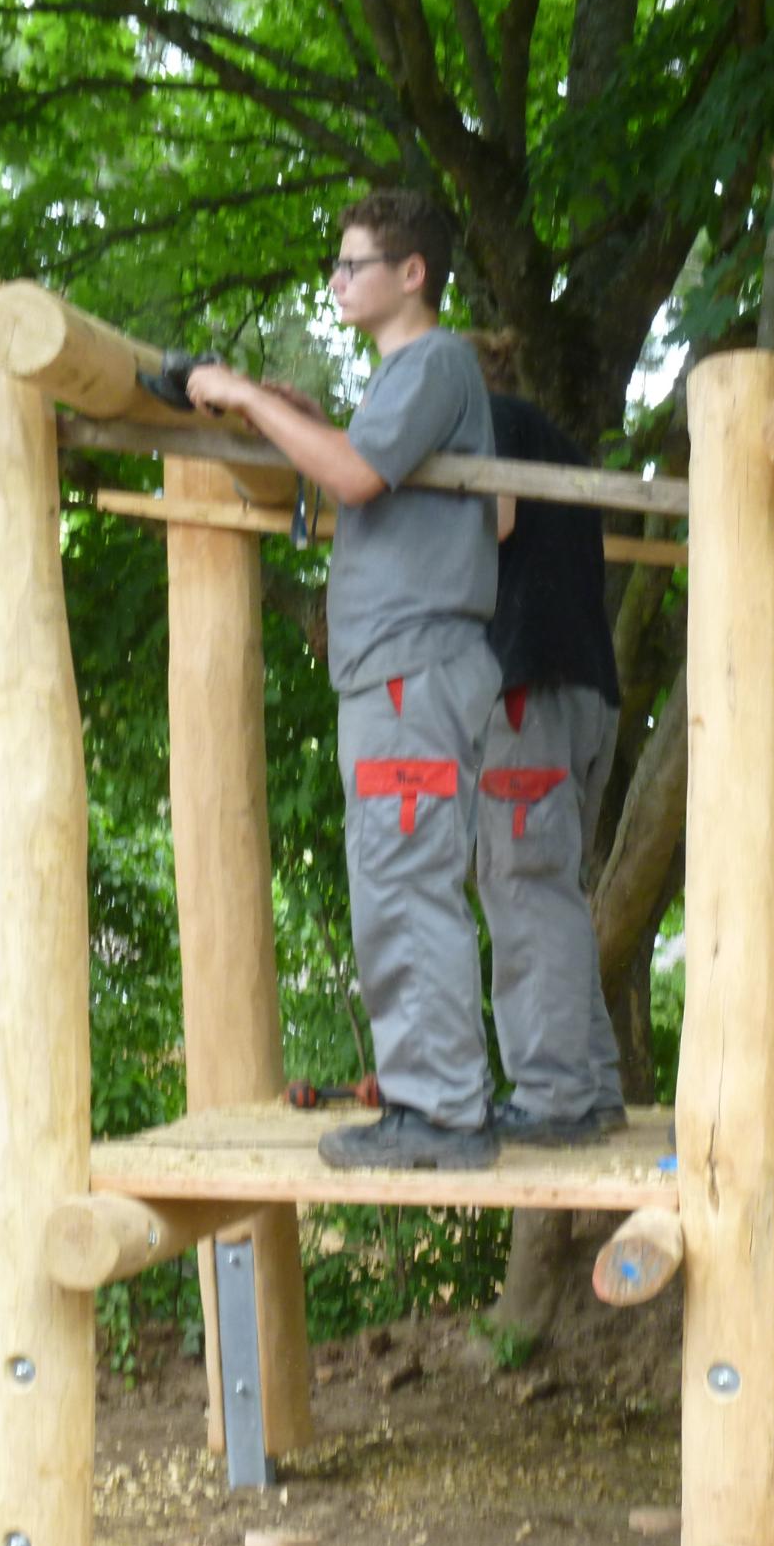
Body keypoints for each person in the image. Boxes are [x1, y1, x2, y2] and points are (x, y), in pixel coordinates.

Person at [186, 189, 501, 1170]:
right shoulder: (406, 378)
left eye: (352, 263)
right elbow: (366, 470)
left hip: (412, 670)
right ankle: (435, 1100)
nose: (336, 279)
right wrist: (304, 424)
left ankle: (442, 1110)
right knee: (397, 881)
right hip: (402, 669)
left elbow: (358, 479)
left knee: (405, 885)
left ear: (413, 273)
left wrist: (241, 398)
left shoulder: (433, 360)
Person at [462, 330, 625, 1145]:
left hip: (529, 686)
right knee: (551, 885)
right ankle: (590, 1085)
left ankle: (554, 1093)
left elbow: (490, 524)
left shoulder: (485, 421)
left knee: (522, 884)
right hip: (586, 690)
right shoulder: (554, 442)